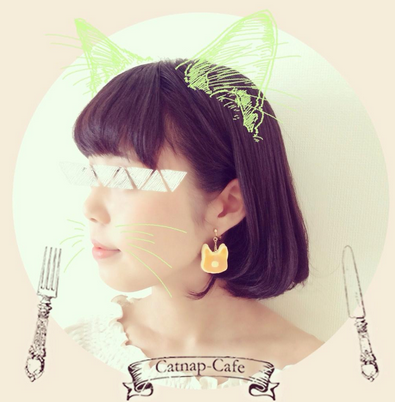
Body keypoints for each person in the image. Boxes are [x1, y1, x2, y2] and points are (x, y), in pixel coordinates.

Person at [65, 58, 323, 390]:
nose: (90, 209)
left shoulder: (319, 376)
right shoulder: (69, 351)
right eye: (93, 175)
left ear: (226, 206)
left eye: (124, 177)